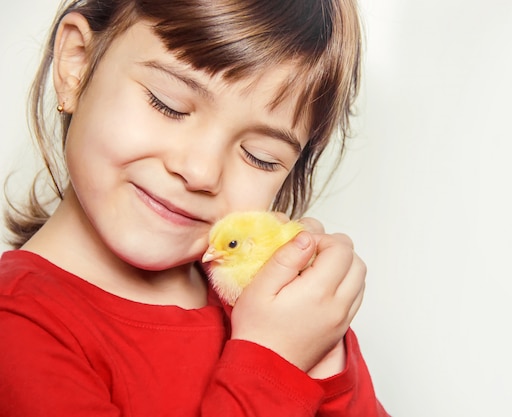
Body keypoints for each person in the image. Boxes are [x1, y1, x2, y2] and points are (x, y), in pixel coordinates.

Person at [0, 0, 389, 415]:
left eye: (259, 155)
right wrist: (273, 362)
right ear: (75, 64)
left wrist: (325, 356)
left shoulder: (270, 306)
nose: (201, 171)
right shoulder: (17, 327)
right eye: (168, 104)